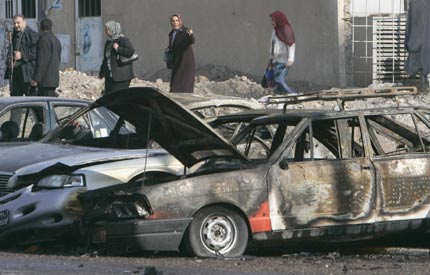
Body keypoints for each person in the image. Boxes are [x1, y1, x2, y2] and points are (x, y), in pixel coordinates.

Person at [4, 14, 38, 96]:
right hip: (15, 74)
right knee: (15, 100)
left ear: (24, 22)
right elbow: (10, 51)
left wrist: (22, 55)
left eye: (18, 23)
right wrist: (9, 61)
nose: (16, 25)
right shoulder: (13, 34)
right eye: (14, 23)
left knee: (30, 102)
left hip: (27, 74)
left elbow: (36, 51)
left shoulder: (32, 34)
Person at [99, 21, 135, 95]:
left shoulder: (123, 40)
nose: (106, 32)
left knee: (119, 97)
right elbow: (106, 59)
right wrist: (102, 72)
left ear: (113, 29)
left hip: (122, 76)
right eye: (106, 30)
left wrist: (118, 49)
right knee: (108, 97)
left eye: (108, 30)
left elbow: (131, 52)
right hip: (110, 77)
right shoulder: (108, 43)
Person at [31, 18, 62, 97]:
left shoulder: (43, 40)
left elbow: (42, 61)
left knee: (43, 106)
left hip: (45, 81)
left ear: (41, 28)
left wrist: (36, 79)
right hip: (53, 80)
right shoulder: (56, 40)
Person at [268, 10, 296, 95]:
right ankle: (278, 96)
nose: (272, 22)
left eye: (273, 20)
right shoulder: (275, 31)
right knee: (276, 81)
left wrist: (290, 59)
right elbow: (272, 45)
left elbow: (291, 44)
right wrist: (271, 59)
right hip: (275, 60)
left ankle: (292, 94)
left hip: (283, 61)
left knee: (279, 79)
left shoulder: (286, 30)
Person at [167, 14, 196, 93]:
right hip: (177, 63)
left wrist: (191, 34)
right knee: (175, 86)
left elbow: (191, 40)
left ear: (180, 21)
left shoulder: (185, 31)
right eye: (173, 21)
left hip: (185, 64)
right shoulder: (171, 34)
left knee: (185, 87)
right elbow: (173, 47)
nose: (175, 23)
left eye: (177, 21)